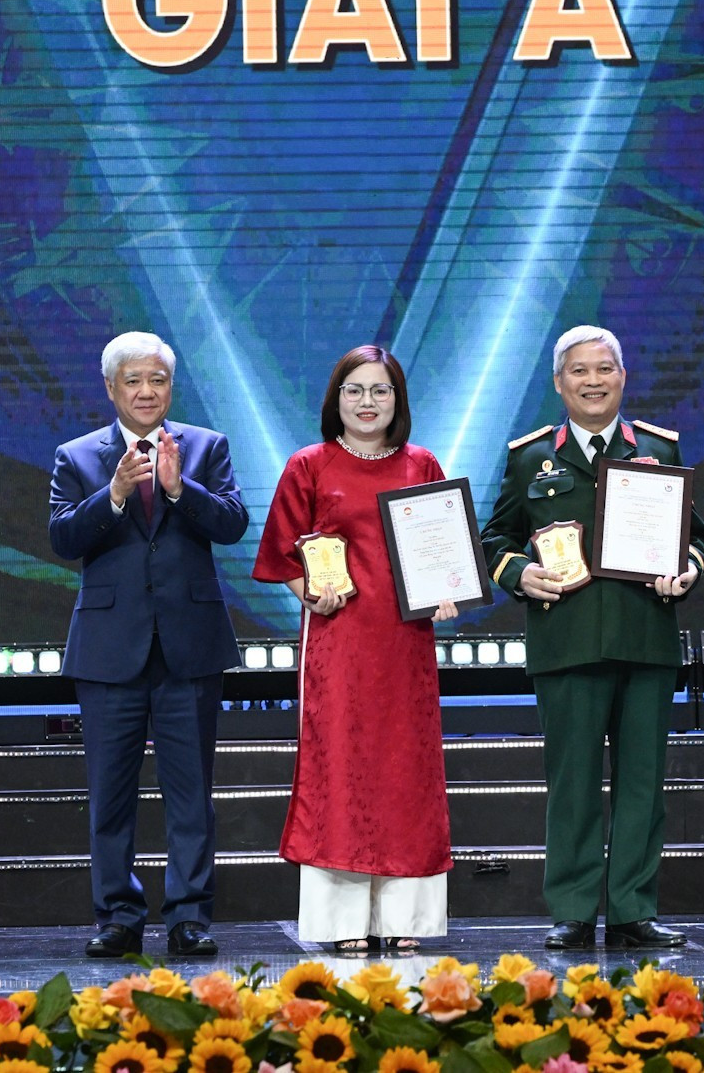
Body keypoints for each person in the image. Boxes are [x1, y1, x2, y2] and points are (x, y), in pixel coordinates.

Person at [479, 325, 704, 950]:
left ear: (622, 376)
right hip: (567, 643)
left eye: (603, 369)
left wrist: (686, 568)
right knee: (574, 784)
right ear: (559, 383)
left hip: (646, 640)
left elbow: (698, 537)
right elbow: (494, 540)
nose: (592, 381)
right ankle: (575, 910)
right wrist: (521, 575)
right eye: (578, 371)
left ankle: (634, 910)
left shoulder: (658, 451)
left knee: (643, 783)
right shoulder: (531, 457)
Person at [251, 346, 457, 953]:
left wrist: (449, 589)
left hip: (406, 643)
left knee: (406, 770)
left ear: (399, 401)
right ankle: (341, 925)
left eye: (381, 391)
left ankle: (405, 921)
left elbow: (444, 550)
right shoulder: (308, 466)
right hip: (339, 642)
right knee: (340, 768)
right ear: (335, 400)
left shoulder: (423, 465)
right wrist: (309, 595)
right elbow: (283, 554)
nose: (368, 402)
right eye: (355, 391)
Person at [49, 331, 248, 958]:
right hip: (110, 649)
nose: (145, 391)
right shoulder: (77, 456)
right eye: (132, 380)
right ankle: (118, 915)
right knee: (110, 792)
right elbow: (62, 539)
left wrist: (179, 491)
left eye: (156, 380)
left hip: (189, 646)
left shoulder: (205, 448)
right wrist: (111, 496)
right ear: (110, 388)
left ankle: (189, 915)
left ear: (170, 386)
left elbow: (234, 523)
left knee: (192, 792)